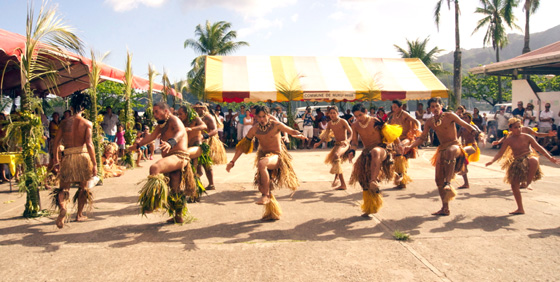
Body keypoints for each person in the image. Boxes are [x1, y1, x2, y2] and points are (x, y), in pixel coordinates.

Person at [226, 105, 307, 221]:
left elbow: (290, 130)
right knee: (261, 185)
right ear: (256, 118)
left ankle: (266, 195)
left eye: (264, 116)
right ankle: (272, 211)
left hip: (277, 157)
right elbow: (242, 146)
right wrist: (232, 161)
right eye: (260, 117)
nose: (262, 119)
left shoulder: (276, 125)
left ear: (268, 116)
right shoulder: (254, 129)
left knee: (262, 163)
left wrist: (298, 134)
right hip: (264, 156)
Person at [405, 97, 480, 216]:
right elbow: (423, 138)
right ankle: (445, 208)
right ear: (429, 109)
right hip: (442, 148)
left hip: (455, 146)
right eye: (432, 107)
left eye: (437, 106)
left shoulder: (449, 116)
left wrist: (477, 133)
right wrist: (410, 146)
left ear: (441, 106)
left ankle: (448, 183)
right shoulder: (429, 122)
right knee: (438, 180)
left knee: (450, 151)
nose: (435, 108)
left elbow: (464, 124)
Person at [130, 102, 199, 224]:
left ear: (166, 112)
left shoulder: (174, 120)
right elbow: (150, 137)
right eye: (154, 112)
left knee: (155, 168)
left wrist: (170, 143)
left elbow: (180, 132)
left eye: (157, 111)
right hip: (171, 158)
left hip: (179, 156)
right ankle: (178, 216)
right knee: (175, 187)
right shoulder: (161, 125)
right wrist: (136, 145)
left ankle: (152, 203)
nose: (154, 114)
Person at [486, 118, 560, 214]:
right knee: (514, 186)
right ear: (511, 129)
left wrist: (550, 158)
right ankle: (520, 208)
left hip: (528, 157)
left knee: (534, 160)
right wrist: (492, 161)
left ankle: (527, 183)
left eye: (519, 127)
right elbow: (500, 153)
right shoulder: (509, 140)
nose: (519, 129)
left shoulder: (527, 136)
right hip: (517, 161)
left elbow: (539, 148)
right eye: (516, 127)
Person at [50, 92, 98, 229]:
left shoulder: (64, 123)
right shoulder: (87, 123)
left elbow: (55, 143)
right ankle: (79, 214)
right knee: (83, 188)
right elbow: (89, 144)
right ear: (83, 108)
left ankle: (63, 209)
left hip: (68, 157)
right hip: (82, 157)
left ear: (71, 107)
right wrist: (94, 164)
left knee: (64, 188)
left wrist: (56, 160)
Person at [348, 104, 401, 217]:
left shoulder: (376, 121)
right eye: (356, 116)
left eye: (360, 115)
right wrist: (352, 151)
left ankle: (374, 180)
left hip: (381, 149)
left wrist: (399, 146)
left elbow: (391, 133)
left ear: (366, 111)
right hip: (367, 151)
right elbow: (355, 142)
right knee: (363, 181)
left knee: (375, 152)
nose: (359, 118)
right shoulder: (355, 125)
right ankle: (370, 206)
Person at [314, 106, 353, 190]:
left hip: (344, 144)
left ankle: (342, 183)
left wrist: (347, 141)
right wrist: (319, 143)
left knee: (336, 155)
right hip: (337, 144)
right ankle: (337, 178)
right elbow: (325, 135)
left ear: (337, 113)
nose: (332, 115)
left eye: (334, 113)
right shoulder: (330, 123)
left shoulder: (343, 121)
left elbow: (351, 132)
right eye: (330, 113)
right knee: (335, 160)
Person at [193, 102, 228, 191]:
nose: (196, 110)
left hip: (207, 143)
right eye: (195, 108)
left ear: (203, 109)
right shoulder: (195, 117)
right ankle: (197, 183)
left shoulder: (208, 117)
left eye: (198, 108)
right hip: (198, 142)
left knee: (206, 164)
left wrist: (205, 136)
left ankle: (211, 184)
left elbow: (215, 130)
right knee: (197, 163)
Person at [387, 100, 421, 189]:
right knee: (398, 157)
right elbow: (390, 128)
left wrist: (419, 129)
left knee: (400, 147)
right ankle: (401, 178)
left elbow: (416, 121)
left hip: (407, 138)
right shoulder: (393, 116)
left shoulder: (404, 114)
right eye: (392, 107)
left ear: (400, 107)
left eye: (395, 107)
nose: (393, 109)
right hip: (397, 139)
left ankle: (401, 175)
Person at [178, 104, 208, 201]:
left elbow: (204, 126)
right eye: (178, 114)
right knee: (188, 170)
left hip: (196, 147)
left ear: (187, 113)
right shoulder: (180, 121)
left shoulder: (195, 118)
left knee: (194, 170)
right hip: (186, 147)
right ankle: (191, 192)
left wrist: (192, 128)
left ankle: (194, 194)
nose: (179, 116)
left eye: (181, 114)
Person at [457, 113, 482, 189]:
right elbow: (456, 137)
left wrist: (482, 139)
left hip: (473, 145)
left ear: (470, 119)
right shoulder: (462, 128)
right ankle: (466, 183)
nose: (464, 119)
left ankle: (464, 169)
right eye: (463, 118)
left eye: (466, 118)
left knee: (463, 155)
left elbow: (480, 133)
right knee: (462, 160)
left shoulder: (473, 126)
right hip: (465, 145)